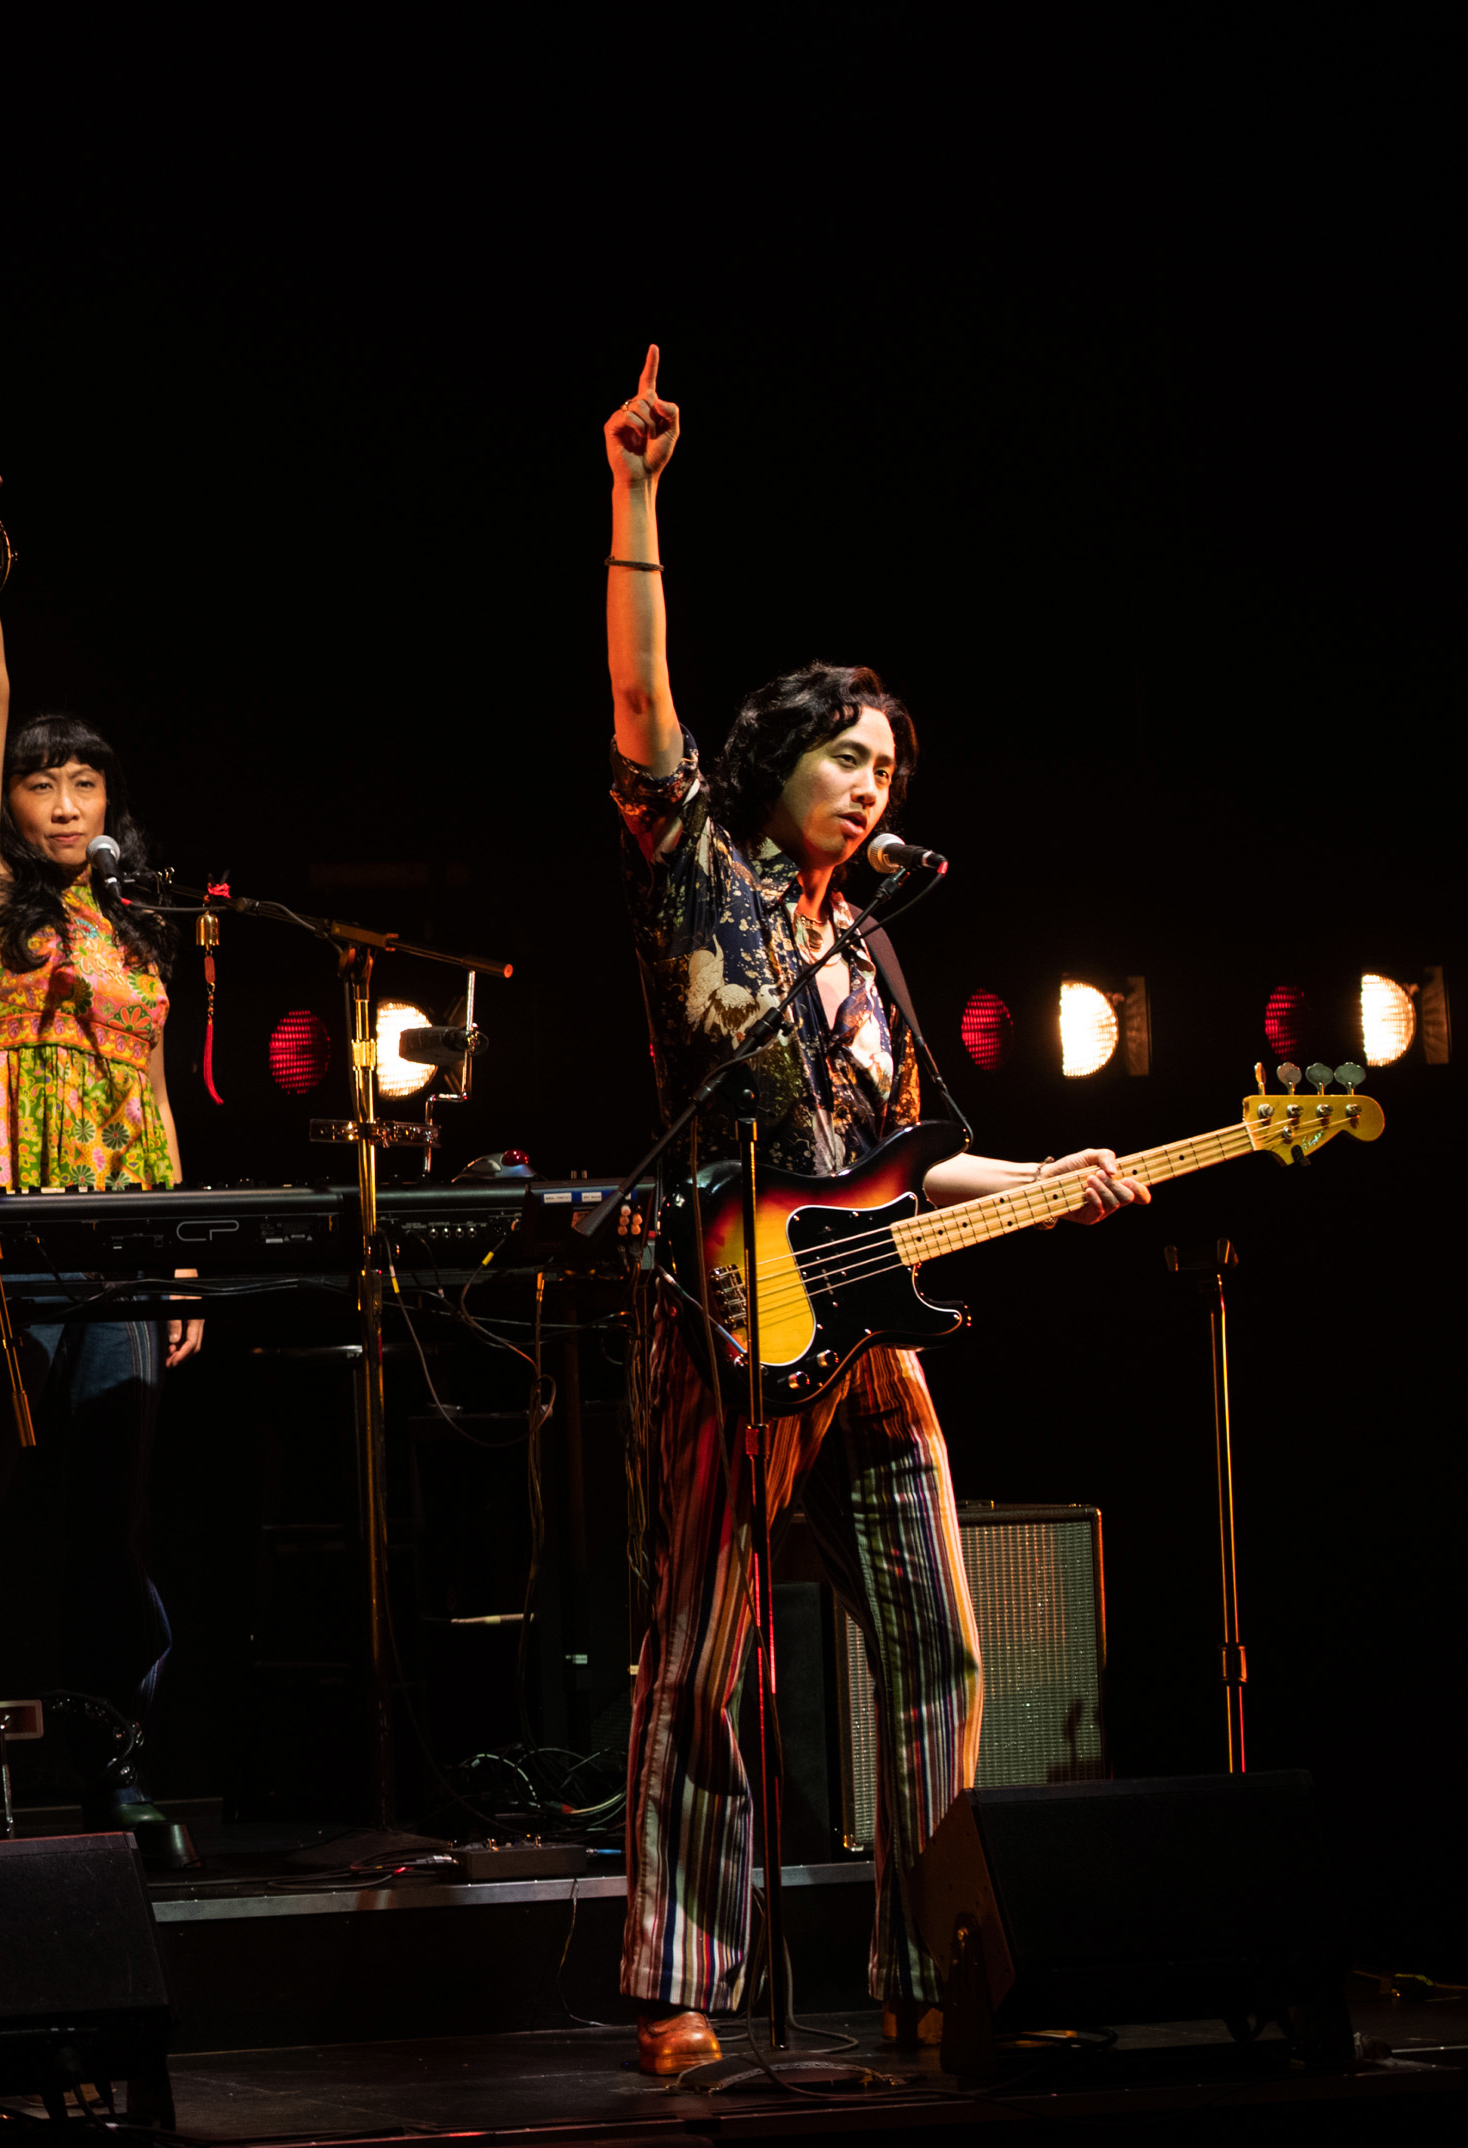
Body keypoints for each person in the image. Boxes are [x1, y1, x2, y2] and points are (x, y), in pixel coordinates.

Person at [596, 348, 1147, 2076]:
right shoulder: (699, 865)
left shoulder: (874, 947)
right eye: (842, 750)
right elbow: (637, 710)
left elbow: (912, 1150)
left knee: (937, 1637)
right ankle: (684, 1983)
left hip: (870, 1321)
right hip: (728, 1304)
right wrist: (635, 493)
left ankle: (931, 1958)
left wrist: (1054, 1181)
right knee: (698, 1656)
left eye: (889, 763)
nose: (868, 778)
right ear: (774, 759)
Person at [0, 409, 200, 1865]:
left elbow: (151, 1099)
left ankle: (118, 1755)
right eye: (44, 781)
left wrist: (175, 1270)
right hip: (4, 1232)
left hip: (122, 1245)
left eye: (84, 783)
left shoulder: (135, 927)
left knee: (116, 1510)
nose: (62, 801)